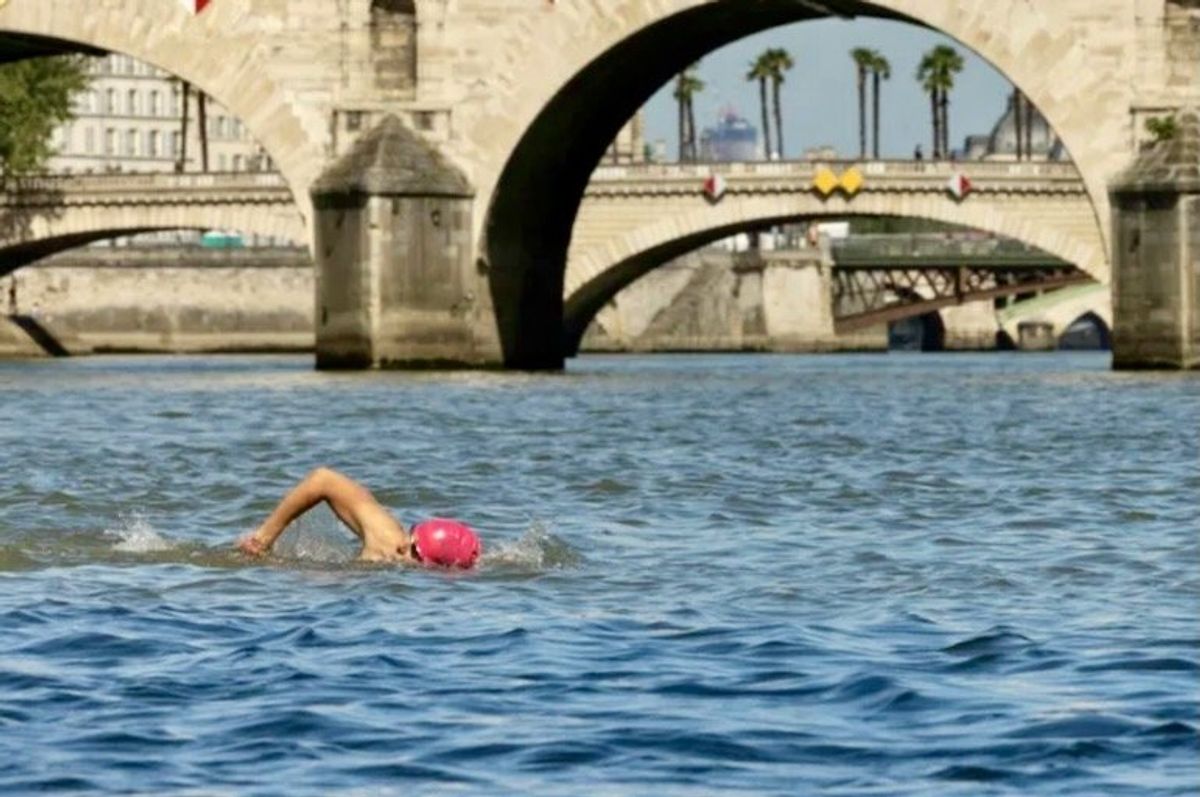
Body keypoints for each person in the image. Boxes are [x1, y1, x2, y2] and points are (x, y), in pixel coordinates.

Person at [236, 467, 481, 568]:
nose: (404, 545)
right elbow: (323, 479)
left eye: (414, 550)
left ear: (432, 567)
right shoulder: (388, 537)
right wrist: (263, 538)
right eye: (411, 535)